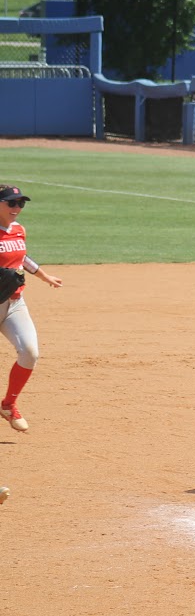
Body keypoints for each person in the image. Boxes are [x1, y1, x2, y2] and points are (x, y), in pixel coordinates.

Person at [1, 185, 64, 433]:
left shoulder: (18, 230)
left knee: (29, 352)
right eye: (11, 203)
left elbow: (23, 257)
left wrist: (44, 276)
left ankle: (8, 404)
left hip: (14, 303)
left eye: (21, 204)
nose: (17, 208)